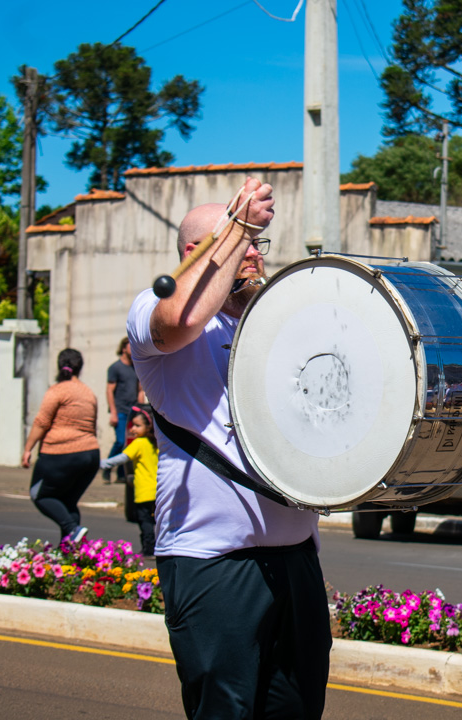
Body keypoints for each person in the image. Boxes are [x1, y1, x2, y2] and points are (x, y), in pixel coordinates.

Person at [126, 177, 330, 720]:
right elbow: (183, 320)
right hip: (213, 559)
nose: (255, 257)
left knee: (297, 710)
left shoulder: (277, 324)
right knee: (226, 712)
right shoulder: (155, 304)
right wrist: (236, 228)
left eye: (258, 246)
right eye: (243, 245)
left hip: (296, 553)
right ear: (200, 252)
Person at [22, 348, 99, 544]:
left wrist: (28, 448)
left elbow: (42, 422)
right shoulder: (88, 393)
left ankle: (72, 529)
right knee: (68, 502)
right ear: (80, 368)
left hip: (61, 452)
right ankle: (71, 555)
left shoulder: (57, 390)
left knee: (39, 495)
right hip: (90, 455)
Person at [100, 404, 158, 556]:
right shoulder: (156, 443)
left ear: (148, 427)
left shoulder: (138, 443)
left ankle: (148, 548)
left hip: (144, 490)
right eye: (133, 425)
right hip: (158, 490)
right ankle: (158, 546)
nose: (133, 429)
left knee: (144, 521)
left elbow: (121, 458)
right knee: (157, 521)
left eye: (137, 426)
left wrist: (101, 463)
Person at [103, 337, 144, 484]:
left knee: (129, 443)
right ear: (123, 348)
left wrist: (141, 411)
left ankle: (121, 474)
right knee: (120, 442)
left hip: (133, 412)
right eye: (130, 346)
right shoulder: (115, 368)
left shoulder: (137, 367)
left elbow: (140, 391)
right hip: (120, 411)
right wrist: (113, 413)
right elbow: (109, 391)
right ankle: (107, 467)